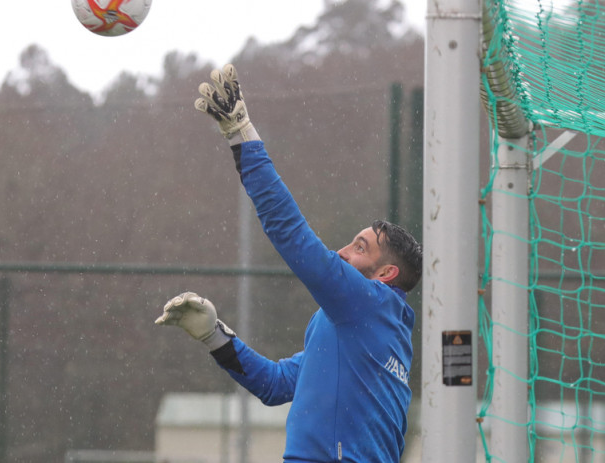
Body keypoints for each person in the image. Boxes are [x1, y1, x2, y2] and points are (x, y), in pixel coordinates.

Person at [155, 64, 422, 463]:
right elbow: (277, 385)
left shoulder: (368, 304)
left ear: (386, 275)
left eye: (360, 247)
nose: (341, 252)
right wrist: (214, 335)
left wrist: (240, 134)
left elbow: (291, 233)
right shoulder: (354, 326)